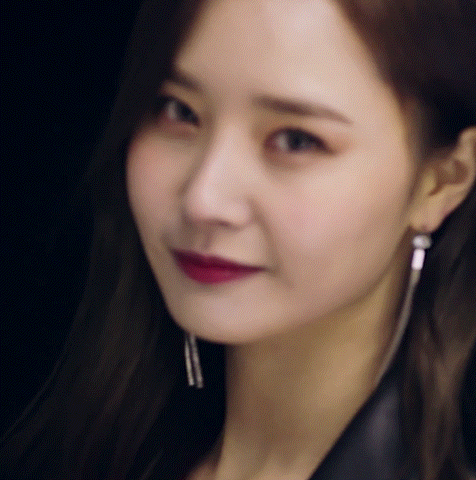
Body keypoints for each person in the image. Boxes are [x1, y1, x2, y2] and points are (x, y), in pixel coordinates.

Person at [1, 0, 475, 479]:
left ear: (443, 180)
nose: (203, 199)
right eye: (178, 111)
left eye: (296, 140)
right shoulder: (73, 447)